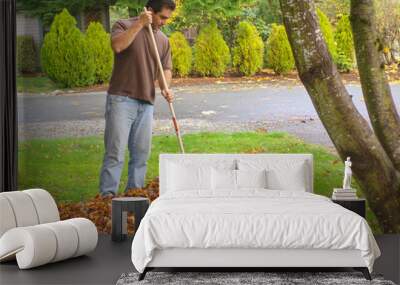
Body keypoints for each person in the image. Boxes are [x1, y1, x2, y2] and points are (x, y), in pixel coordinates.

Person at [99, 0, 176, 197]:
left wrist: (165, 87)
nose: (165, 22)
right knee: (115, 153)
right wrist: (140, 24)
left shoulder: (163, 40)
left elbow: (165, 69)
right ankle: (107, 198)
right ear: (150, 11)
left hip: (146, 103)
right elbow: (117, 46)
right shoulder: (124, 25)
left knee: (141, 155)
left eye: (168, 18)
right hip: (121, 99)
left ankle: (134, 197)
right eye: (162, 17)